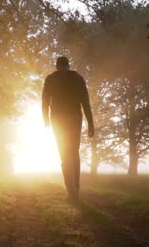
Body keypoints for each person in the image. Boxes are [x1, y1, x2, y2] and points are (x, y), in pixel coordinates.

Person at [42, 56, 94, 200]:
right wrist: (90, 123)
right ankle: (74, 188)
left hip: (59, 120)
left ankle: (71, 190)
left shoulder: (51, 79)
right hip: (73, 119)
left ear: (57, 66)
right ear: (68, 65)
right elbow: (85, 102)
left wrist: (46, 120)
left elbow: (44, 101)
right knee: (72, 153)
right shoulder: (77, 78)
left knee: (65, 154)